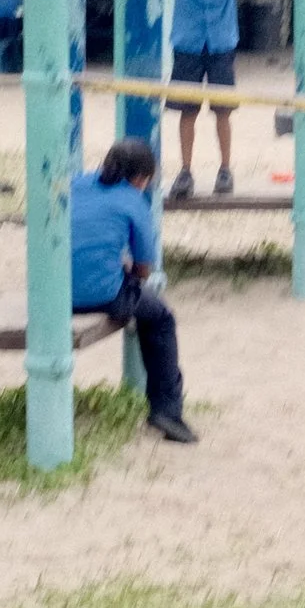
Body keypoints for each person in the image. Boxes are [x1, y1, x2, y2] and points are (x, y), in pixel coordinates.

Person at [70, 140, 195, 443]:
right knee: (161, 317)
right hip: (103, 294)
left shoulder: (77, 183)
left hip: (56, 290)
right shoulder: (133, 200)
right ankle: (167, 410)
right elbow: (144, 268)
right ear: (142, 178)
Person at [165, 0, 246, 199]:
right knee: (188, 111)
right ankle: (185, 171)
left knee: (222, 111)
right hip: (188, 44)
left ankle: (225, 169)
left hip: (221, 44)